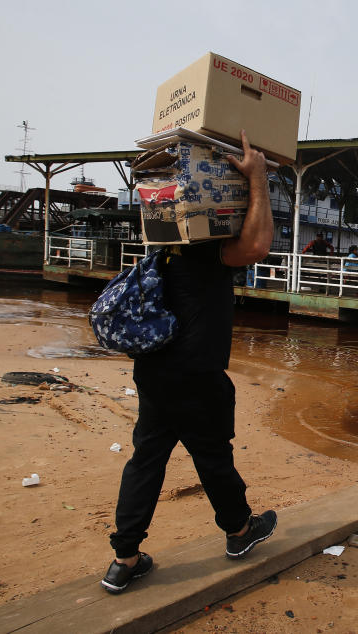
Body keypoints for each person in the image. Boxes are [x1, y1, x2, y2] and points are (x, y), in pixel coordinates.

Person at [100, 130, 277, 594]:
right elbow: (257, 246)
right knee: (213, 455)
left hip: (155, 369)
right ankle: (239, 533)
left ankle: (124, 559)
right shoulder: (207, 246)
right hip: (196, 372)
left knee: (147, 459)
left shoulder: (168, 243)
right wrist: (257, 178)